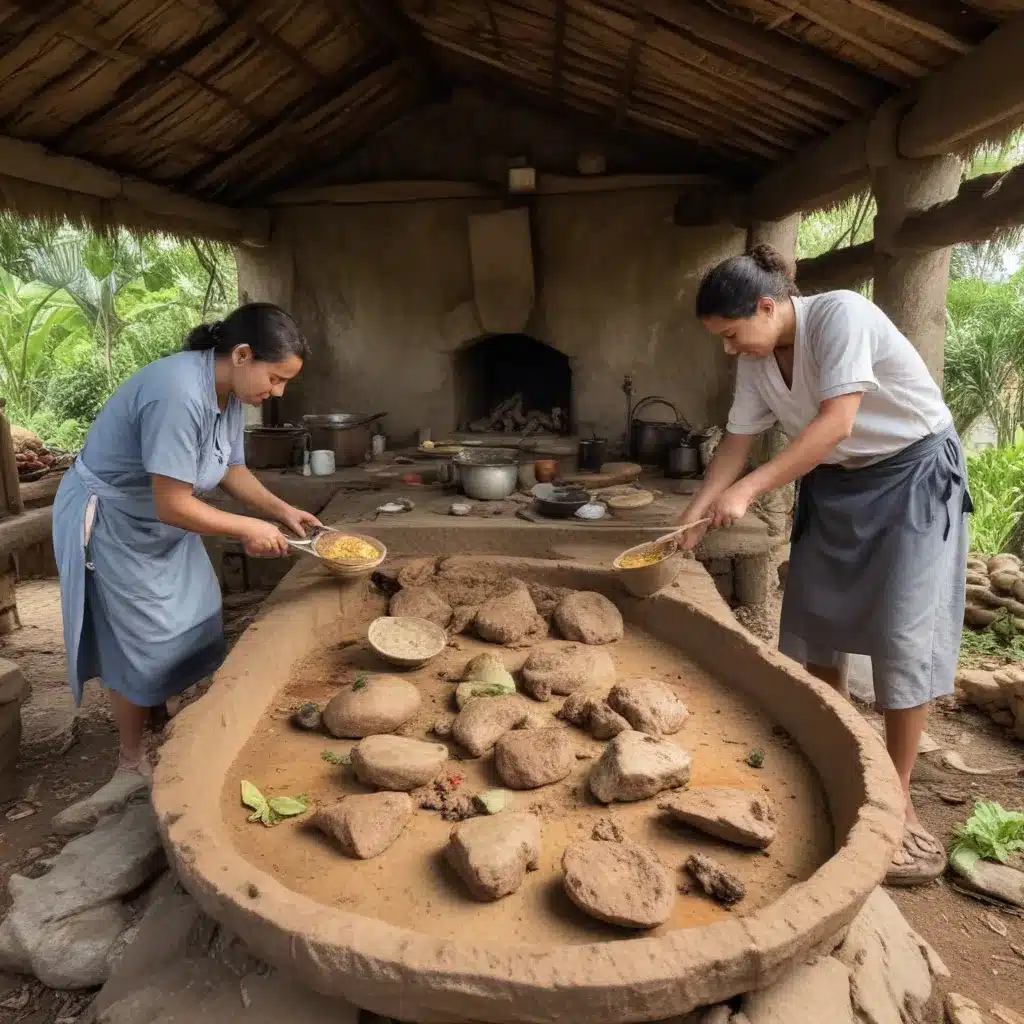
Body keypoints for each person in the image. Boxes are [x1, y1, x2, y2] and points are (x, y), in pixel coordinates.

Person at [680, 244, 971, 887]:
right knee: (814, 621)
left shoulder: (840, 316)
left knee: (901, 635)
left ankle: (895, 797)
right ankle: (835, 752)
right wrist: (696, 513)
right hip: (837, 485)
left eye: (732, 335)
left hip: (911, 474)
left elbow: (838, 422)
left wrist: (750, 491)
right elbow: (736, 443)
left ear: (767, 305)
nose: (730, 349)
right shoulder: (758, 356)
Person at [53, 303, 319, 801]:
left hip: (160, 518)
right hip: (118, 522)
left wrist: (282, 510)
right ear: (242, 354)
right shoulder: (176, 393)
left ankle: (173, 715)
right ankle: (130, 761)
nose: (277, 392)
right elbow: (173, 503)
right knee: (138, 638)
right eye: (276, 378)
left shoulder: (231, 392)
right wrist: (246, 527)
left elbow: (230, 470)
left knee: (197, 611)